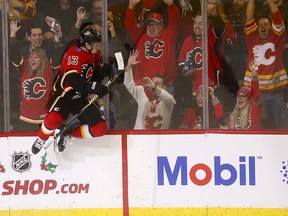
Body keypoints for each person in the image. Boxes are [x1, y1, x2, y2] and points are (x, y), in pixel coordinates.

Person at [31, 22, 111, 154]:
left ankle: (67, 134)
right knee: (52, 120)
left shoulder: (95, 54)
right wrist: (94, 87)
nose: (98, 47)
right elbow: (72, 79)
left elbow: (92, 76)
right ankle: (41, 138)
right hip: (65, 95)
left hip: (80, 97)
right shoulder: (74, 54)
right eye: (95, 44)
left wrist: (102, 72)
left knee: (100, 129)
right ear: (86, 44)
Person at [243, 0, 288, 129]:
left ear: (271, 26)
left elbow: (278, 18)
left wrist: (268, 1)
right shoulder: (252, 38)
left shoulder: (277, 37)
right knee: (261, 127)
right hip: (258, 92)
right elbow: (249, 18)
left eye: (266, 24)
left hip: (276, 92)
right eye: (260, 24)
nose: (263, 27)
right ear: (257, 28)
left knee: (280, 126)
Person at [124, 0, 180, 95]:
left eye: (155, 24)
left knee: (163, 110)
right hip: (144, 86)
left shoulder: (169, 35)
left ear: (162, 26)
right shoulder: (140, 36)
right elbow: (129, 25)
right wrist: (131, 6)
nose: (151, 27)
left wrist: (171, 5)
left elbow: (175, 20)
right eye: (149, 24)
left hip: (164, 86)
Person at [123, 49, 176, 130]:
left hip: (160, 141)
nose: (153, 85)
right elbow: (129, 84)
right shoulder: (142, 96)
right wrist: (129, 66)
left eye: (157, 83)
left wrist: (154, 87)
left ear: (164, 87)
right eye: (152, 82)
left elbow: (169, 98)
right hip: (140, 140)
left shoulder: (167, 103)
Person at [11, 47, 55, 131]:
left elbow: (57, 56)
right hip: (25, 119)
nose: (32, 59)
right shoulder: (25, 68)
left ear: (43, 60)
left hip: (44, 120)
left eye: (36, 57)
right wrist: (12, 35)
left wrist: (56, 40)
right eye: (31, 57)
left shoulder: (48, 70)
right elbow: (14, 53)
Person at [228, 60, 261, 129]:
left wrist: (254, 74)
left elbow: (255, 92)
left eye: (243, 96)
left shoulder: (253, 110)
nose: (240, 98)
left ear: (249, 100)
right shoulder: (233, 116)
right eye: (238, 96)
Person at [226, 0, 248, 85]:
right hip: (232, 52)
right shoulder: (228, 14)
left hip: (246, 51)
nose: (236, 2)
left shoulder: (249, 13)